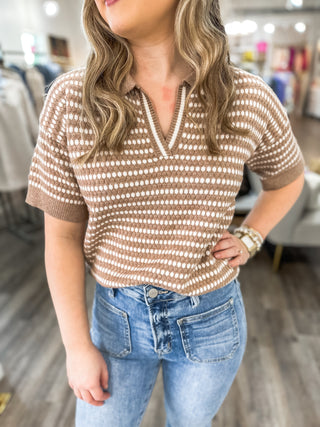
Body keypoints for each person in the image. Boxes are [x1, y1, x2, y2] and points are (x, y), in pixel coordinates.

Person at [25, 0, 305, 426]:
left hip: (210, 317)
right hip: (117, 319)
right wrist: (76, 346)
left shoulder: (245, 97)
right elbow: (61, 236)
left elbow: (288, 177)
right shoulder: (72, 100)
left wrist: (252, 235)